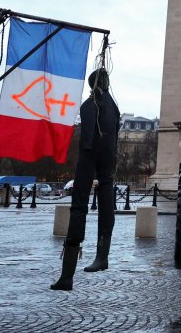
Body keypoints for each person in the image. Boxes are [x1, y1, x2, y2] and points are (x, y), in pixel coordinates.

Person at [51, 68, 120, 291]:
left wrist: (87, 155)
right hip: (109, 157)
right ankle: (102, 256)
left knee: (79, 206)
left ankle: (67, 275)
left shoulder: (90, 105)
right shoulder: (114, 106)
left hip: (90, 156)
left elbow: (88, 137)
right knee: (107, 202)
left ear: (92, 85)